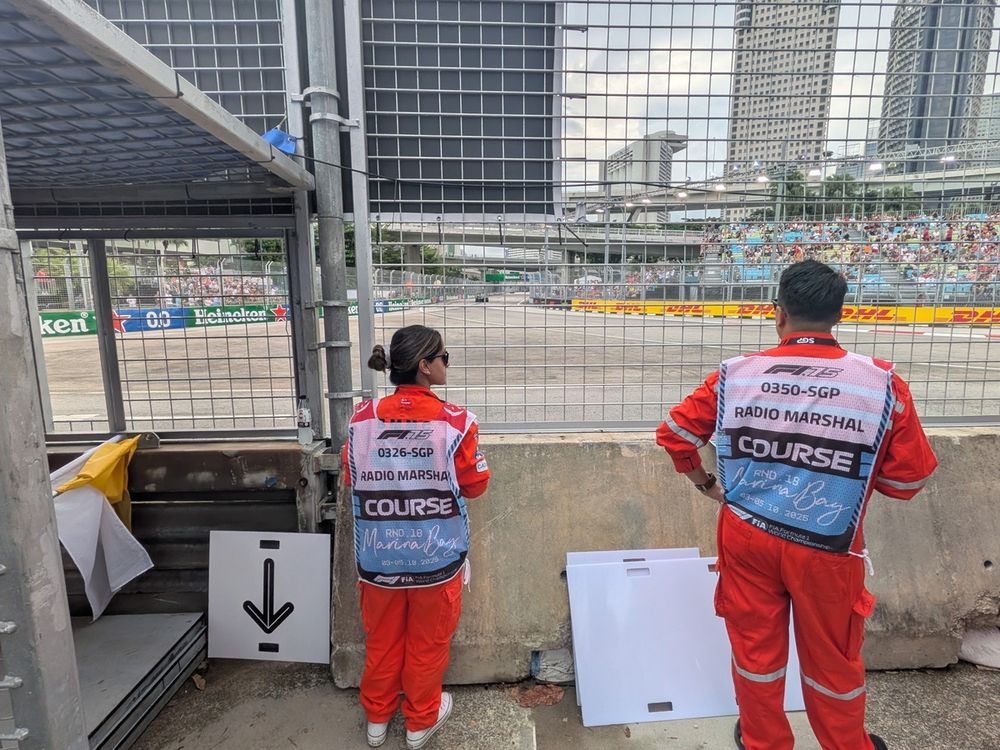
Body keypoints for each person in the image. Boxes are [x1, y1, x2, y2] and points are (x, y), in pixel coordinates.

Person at [656, 260, 937, 750]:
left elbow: (675, 434)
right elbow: (906, 481)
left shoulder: (734, 375)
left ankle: (763, 741)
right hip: (827, 541)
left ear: (778, 312)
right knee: (833, 658)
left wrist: (704, 484)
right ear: (838, 314)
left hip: (746, 534)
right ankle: (847, 744)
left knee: (755, 653)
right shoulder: (883, 383)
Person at [342, 324, 490, 749]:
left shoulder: (361, 419)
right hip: (436, 560)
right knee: (428, 643)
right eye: (444, 357)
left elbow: (353, 477)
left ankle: (376, 719)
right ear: (425, 367)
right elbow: (476, 485)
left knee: (382, 640)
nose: (447, 363)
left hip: (377, 560)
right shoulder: (457, 421)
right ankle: (420, 722)